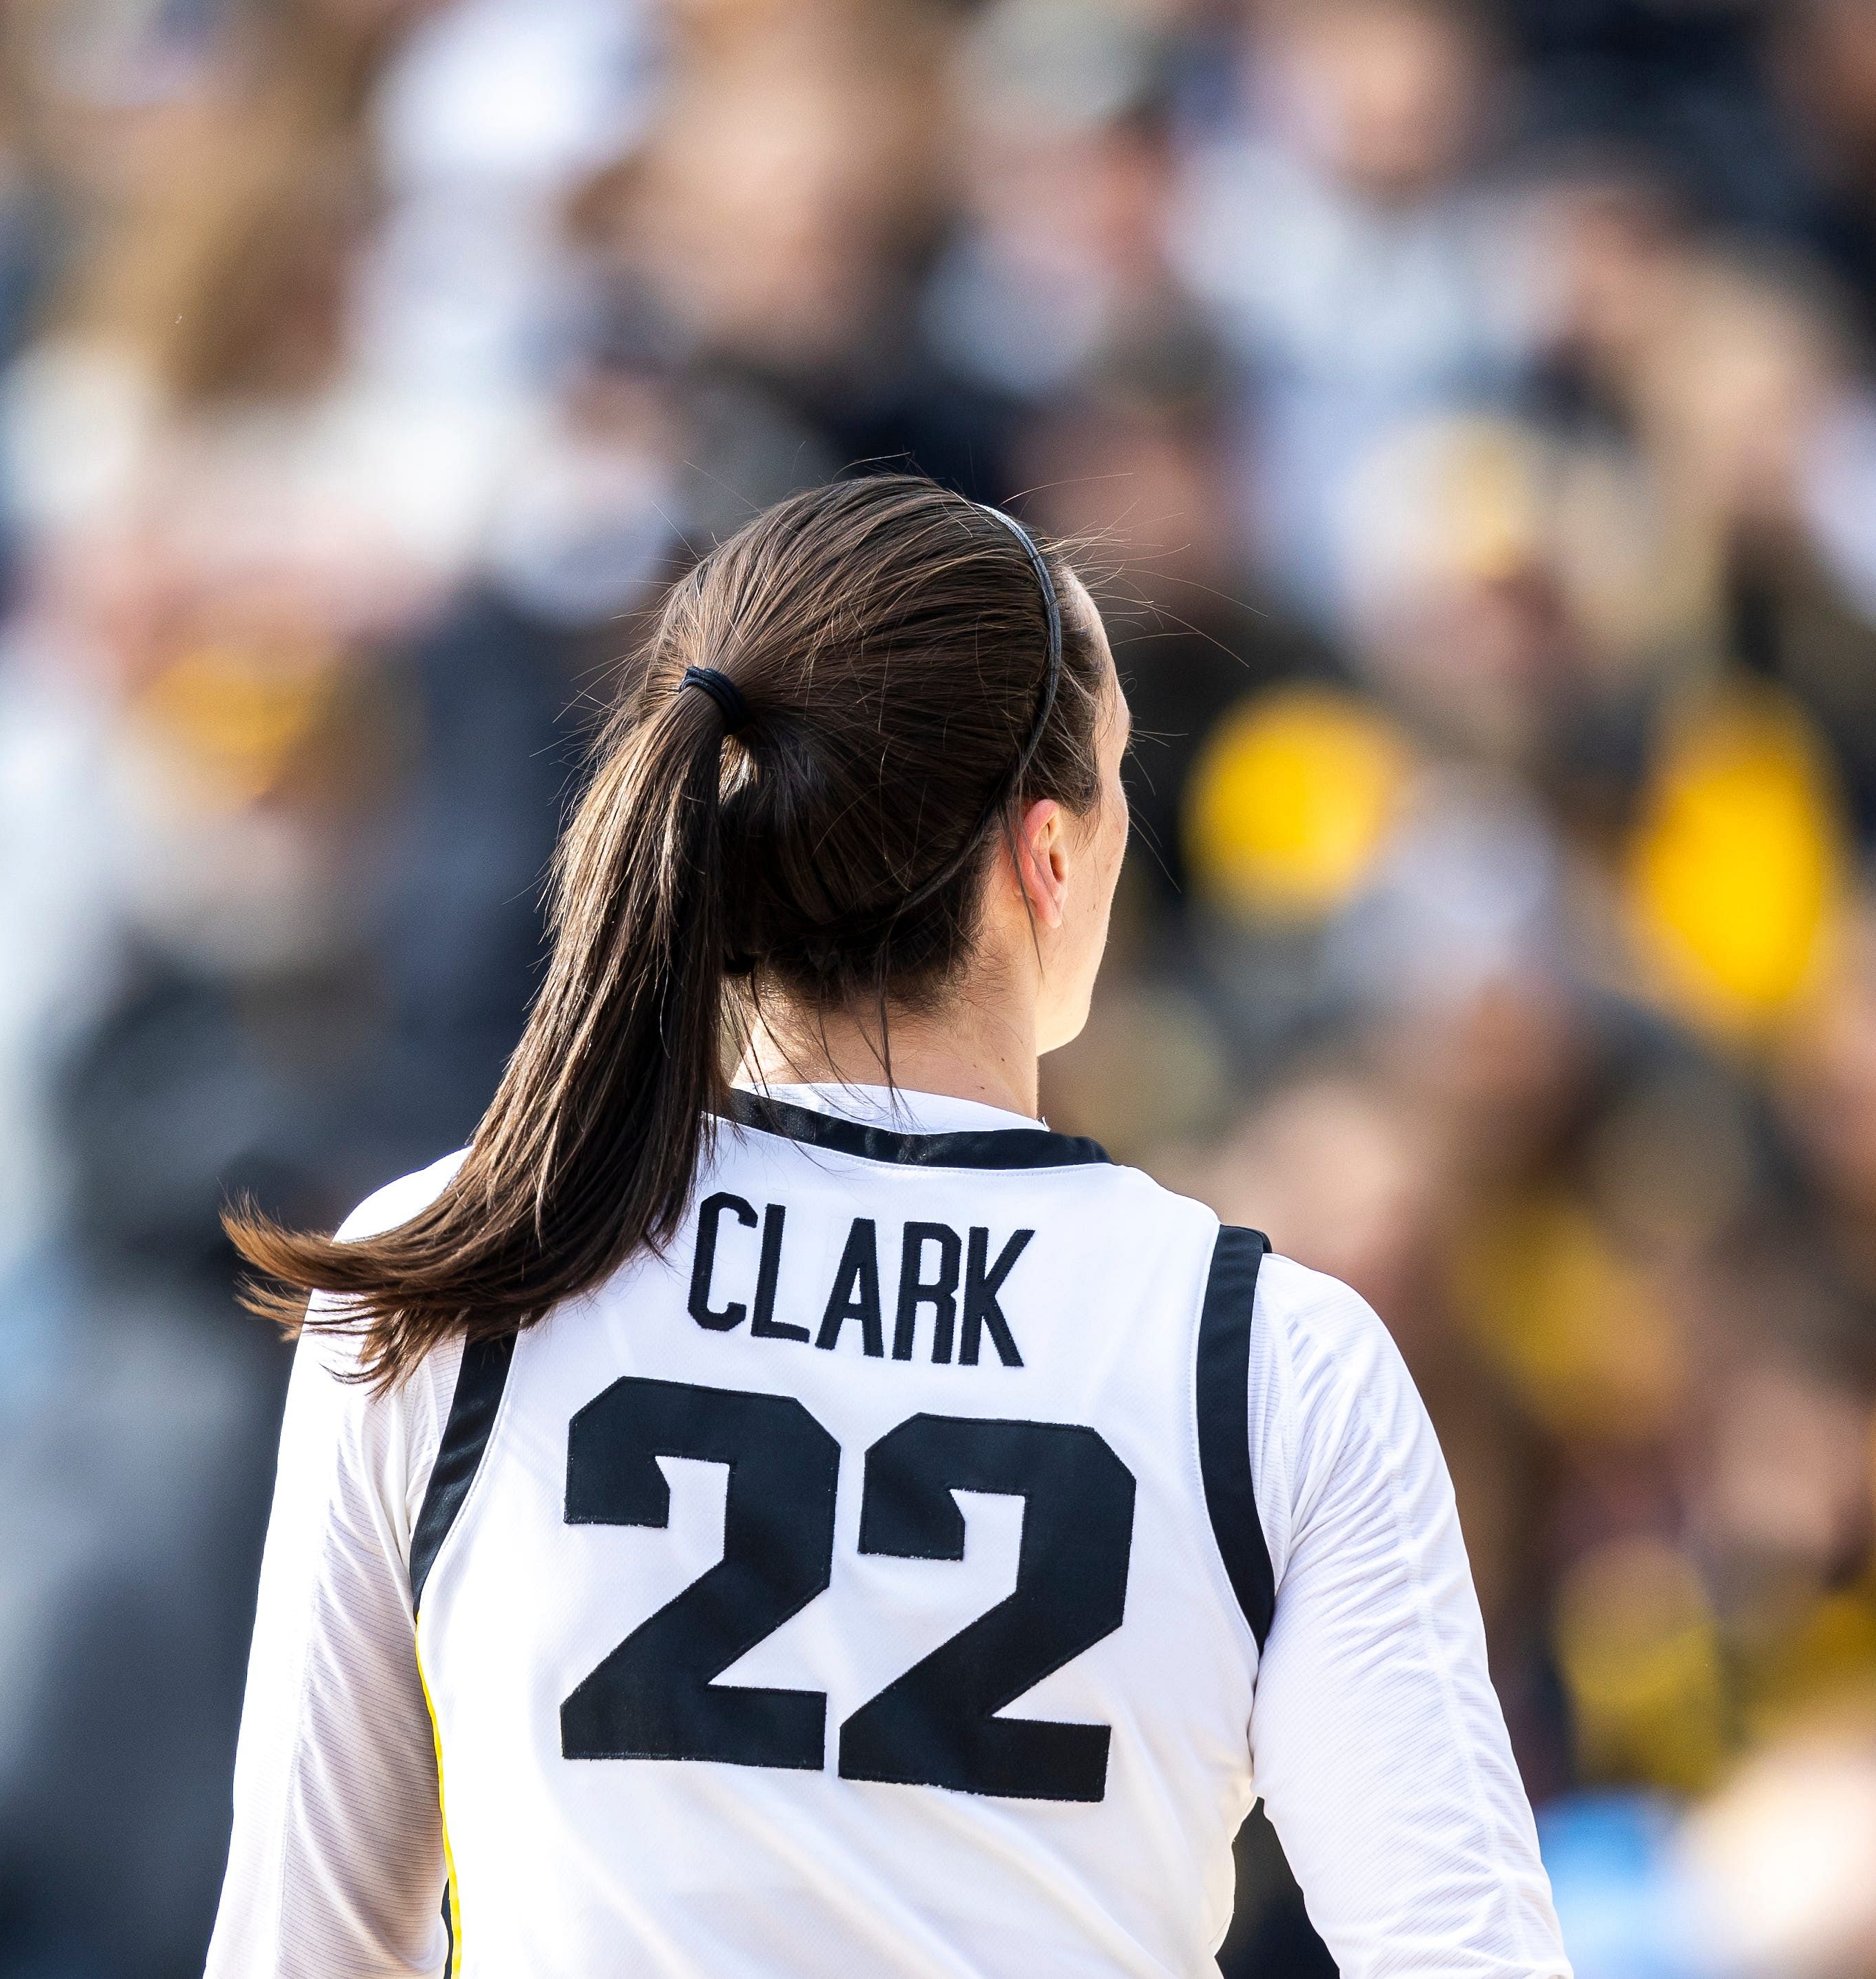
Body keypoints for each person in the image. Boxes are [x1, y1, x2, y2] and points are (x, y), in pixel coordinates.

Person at [201, 475, 1567, 1979]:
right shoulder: (1270, 1361)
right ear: (1048, 858)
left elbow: (299, 1952)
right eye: (1118, 780)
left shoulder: (466, 1259)